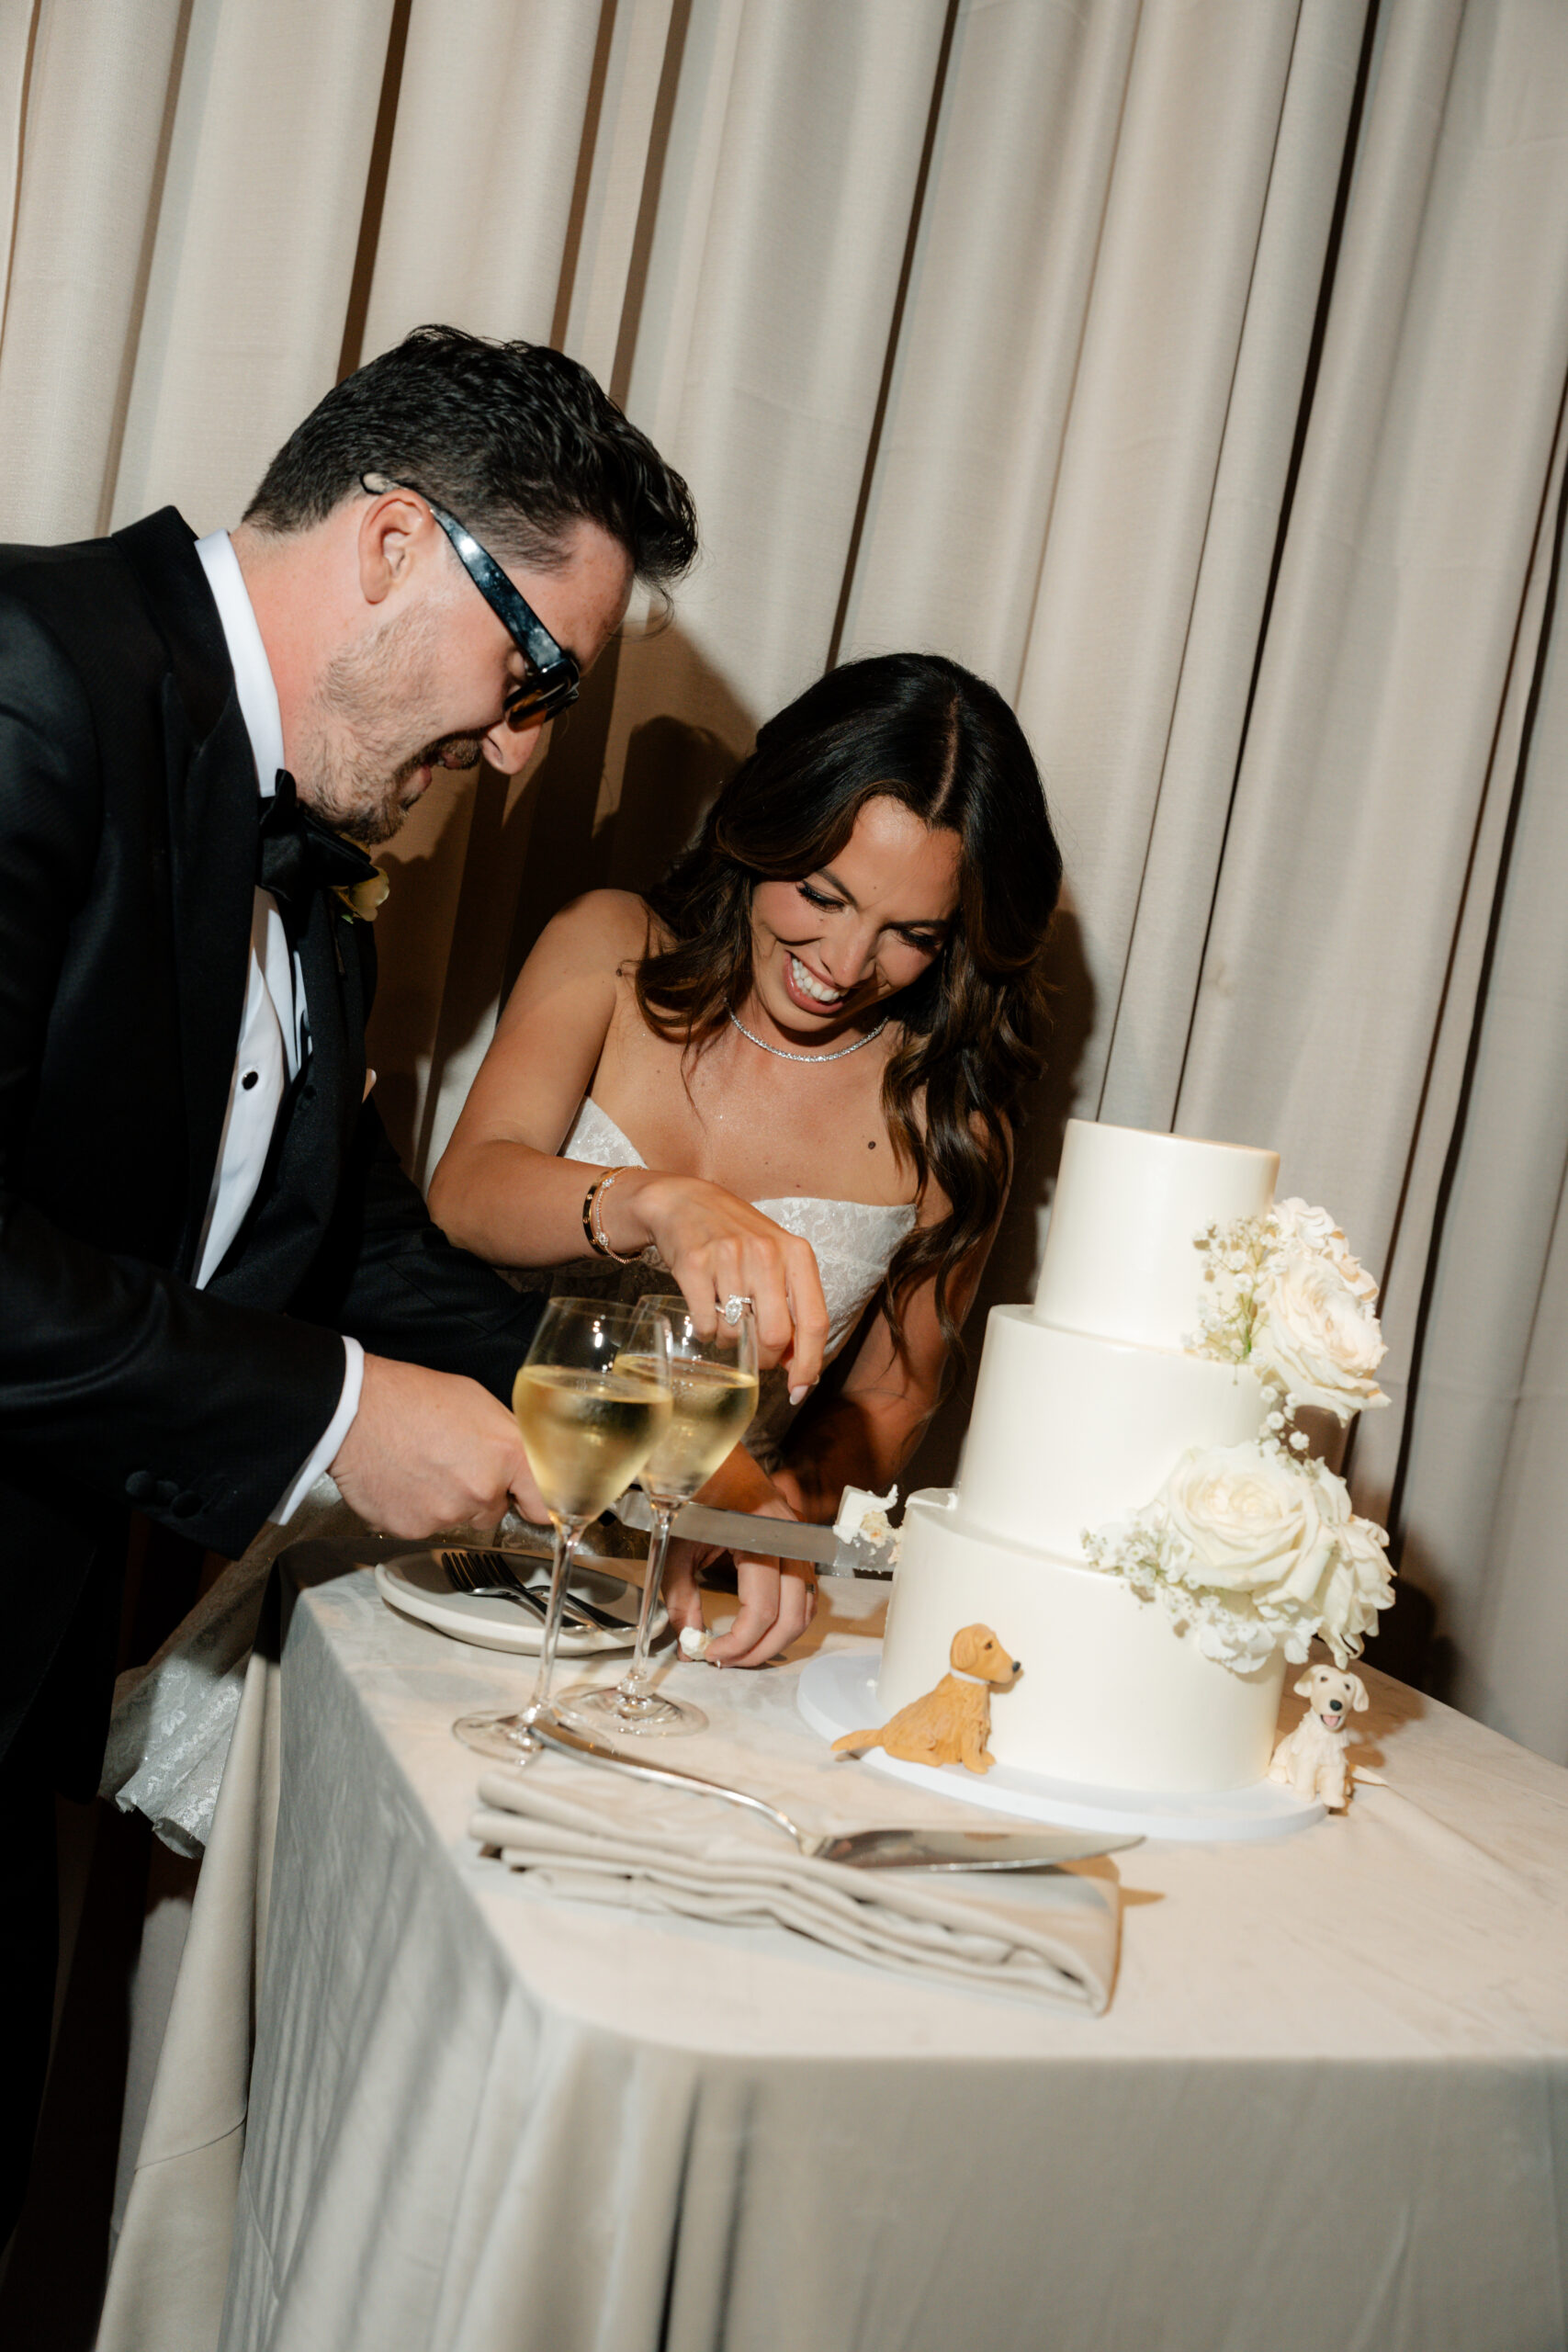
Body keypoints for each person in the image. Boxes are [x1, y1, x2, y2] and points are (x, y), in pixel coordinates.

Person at [0, 323, 697, 2242]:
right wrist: (326, 1415)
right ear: (395, 541)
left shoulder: (302, 838)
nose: (525, 743)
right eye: (532, 669)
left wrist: (660, 1445)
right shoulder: (28, 675)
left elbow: (351, 1242)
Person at [428, 651, 1063, 1668]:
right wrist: (661, 1206)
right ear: (762, 826)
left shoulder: (950, 1119)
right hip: (448, 1518)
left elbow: (890, 1398)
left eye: (912, 935)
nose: (845, 968)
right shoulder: (609, 947)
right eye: (821, 892)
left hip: (689, 1612)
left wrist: (763, 1519)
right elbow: (465, 1192)